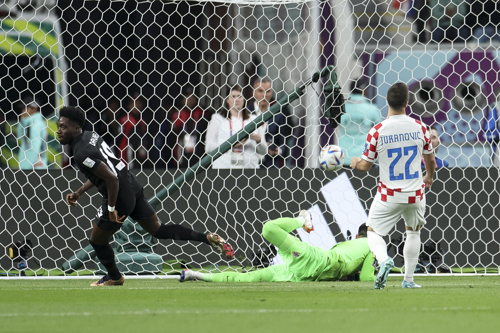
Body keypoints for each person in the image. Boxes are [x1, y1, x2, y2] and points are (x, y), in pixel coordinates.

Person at [56, 106, 234, 286]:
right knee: (158, 229)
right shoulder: (90, 135)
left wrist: (111, 209)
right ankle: (207, 238)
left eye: (63, 127)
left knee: (96, 241)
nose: (59, 131)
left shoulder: (80, 153)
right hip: (131, 184)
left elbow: (111, 178)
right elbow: (103, 170)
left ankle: (114, 277)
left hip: (119, 194)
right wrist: (79, 192)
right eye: (58, 126)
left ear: (76, 128)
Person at [350, 82, 436, 289]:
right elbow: (430, 161)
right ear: (407, 103)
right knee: (413, 232)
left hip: (389, 195)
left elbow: (365, 166)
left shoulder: (377, 131)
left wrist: (354, 162)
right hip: (415, 193)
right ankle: (408, 280)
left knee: (372, 232)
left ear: (386, 102)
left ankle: (383, 260)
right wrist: (429, 177)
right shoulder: (421, 128)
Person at [179, 210, 376, 283]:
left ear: (357, 235)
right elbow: (367, 278)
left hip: (301, 271)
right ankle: (302, 220)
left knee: (250, 277)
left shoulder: (349, 242)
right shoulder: (372, 246)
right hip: (311, 263)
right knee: (268, 229)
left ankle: (195, 274)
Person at [205, 85, 267, 169]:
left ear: (244, 99)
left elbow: (264, 151)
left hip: (250, 171)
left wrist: (259, 141)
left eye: (239, 96)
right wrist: (230, 144)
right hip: (223, 170)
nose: (236, 99)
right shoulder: (218, 119)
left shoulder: (253, 120)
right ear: (227, 100)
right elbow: (208, 147)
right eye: (233, 96)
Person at [248, 77, 292, 168]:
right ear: (253, 92)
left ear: (272, 93)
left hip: (270, 166)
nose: (264, 95)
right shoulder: (246, 113)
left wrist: (277, 150)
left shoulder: (278, 115)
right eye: (260, 91)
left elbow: (283, 142)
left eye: (267, 91)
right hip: (250, 164)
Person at [338, 80, 382, 167]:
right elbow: (381, 131)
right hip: (365, 159)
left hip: (344, 158)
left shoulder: (340, 109)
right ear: (363, 90)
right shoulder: (371, 109)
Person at [169, 89, 210, 168]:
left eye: (192, 97)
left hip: (199, 154)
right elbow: (172, 137)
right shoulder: (177, 116)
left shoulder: (204, 114)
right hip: (182, 154)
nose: (189, 100)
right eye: (187, 97)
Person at [17, 99, 48, 169]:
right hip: (33, 166)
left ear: (34, 109)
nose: (23, 111)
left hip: (33, 166)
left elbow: (35, 147)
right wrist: (22, 121)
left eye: (25, 108)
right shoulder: (30, 123)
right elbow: (20, 137)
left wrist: (26, 167)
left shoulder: (35, 125)